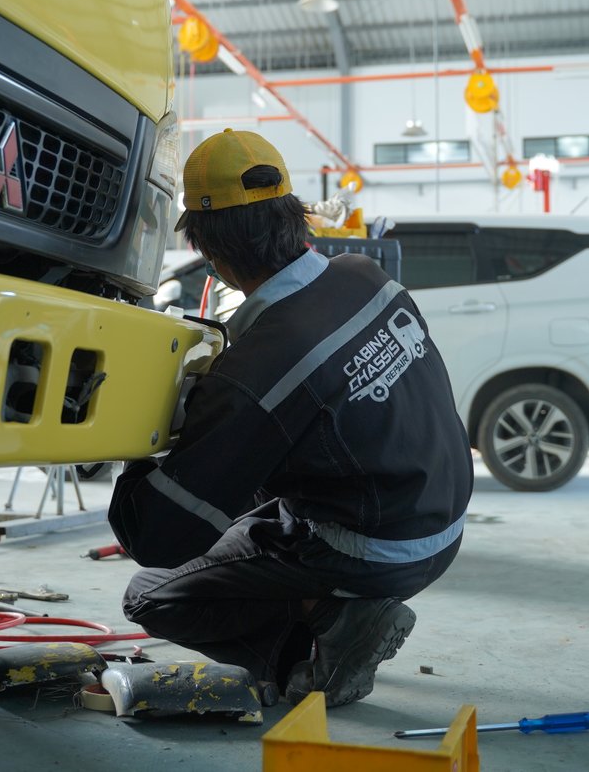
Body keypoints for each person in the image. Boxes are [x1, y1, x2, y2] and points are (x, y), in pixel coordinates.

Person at [108, 128, 473, 707]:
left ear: (208, 250)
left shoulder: (256, 369)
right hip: (442, 523)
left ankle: (322, 638)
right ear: (293, 215)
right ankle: (336, 608)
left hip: (374, 546)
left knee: (152, 595)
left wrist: (130, 433)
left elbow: (154, 535)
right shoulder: (366, 276)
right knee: (250, 496)